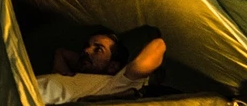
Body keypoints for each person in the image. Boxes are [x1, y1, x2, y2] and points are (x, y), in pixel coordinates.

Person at [36, 31, 166, 105]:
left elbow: (158, 45)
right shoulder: (73, 76)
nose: (86, 50)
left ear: (113, 66)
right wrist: (63, 69)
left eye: (98, 49)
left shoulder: (115, 84)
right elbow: (62, 52)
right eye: (87, 46)